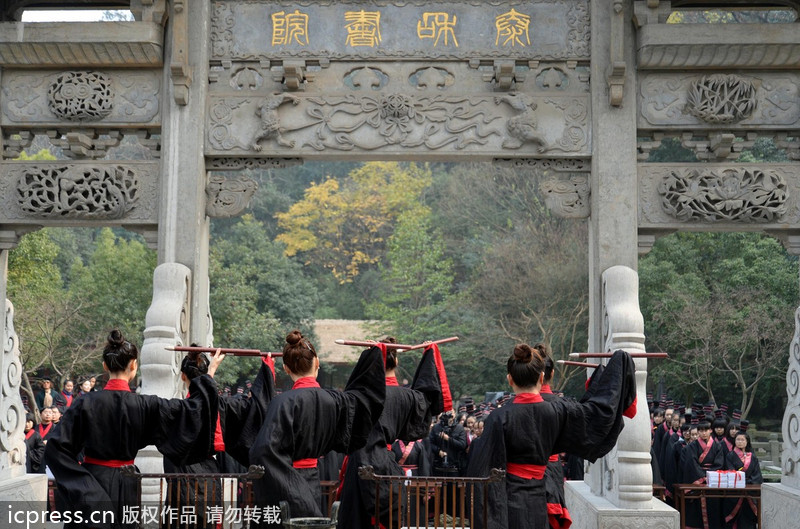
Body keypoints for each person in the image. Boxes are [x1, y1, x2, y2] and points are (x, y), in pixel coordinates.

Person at [44, 329, 224, 529]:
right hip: (127, 481)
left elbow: (55, 448)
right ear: (134, 366)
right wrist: (207, 377)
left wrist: (81, 484)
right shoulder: (146, 405)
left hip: (91, 482)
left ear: (104, 366)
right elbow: (191, 410)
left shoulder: (84, 403)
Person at [467, 346, 636, 529]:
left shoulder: (498, 417)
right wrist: (618, 364)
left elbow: (481, 469)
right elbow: (596, 414)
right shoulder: (558, 410)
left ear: (510, 379)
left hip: (510, 499)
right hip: (541, 497)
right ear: (542, 378)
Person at [248, 330, 385, 526]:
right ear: (317, 362)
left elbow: (263, 450)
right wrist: (372, 357)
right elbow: (364, 399)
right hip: (313, 479)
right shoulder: (336, 400)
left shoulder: (282, 402)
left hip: (286, 480)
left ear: (286, 368)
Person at [338, 340, 452, 529]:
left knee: (357, 519)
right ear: (396, 361)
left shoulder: (361, 395)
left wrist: (369, 357)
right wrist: (429, 354)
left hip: (358, 464)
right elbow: (428, 398)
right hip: (385, 463)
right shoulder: (407, 397)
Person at [535, 343, 572, 529]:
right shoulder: (563, 406)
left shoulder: (514, 407)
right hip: (554, 467)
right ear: (552, 373)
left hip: (524, 474)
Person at [681, 420, 725, 529]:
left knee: (712, 508)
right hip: (697, 481)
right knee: (696, 509)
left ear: (710, 431)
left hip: (712, 482)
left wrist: (709, 476)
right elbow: (692, 462)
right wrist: (702, 477)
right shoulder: (692, 445)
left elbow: (719, 464)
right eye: (701, 430)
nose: (703, 433)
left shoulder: (717, 446)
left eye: (705, 430)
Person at [723, 431, 762, 529]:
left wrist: (749, 483)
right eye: (738, 440)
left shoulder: (752, 456)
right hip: (735, 489)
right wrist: (741, 482)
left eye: (742, 440)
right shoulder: (730, 456)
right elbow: (730, 471)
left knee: (748, 517)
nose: (740, 442)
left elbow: (757, 474)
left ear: (747, 442)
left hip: (749, 489)